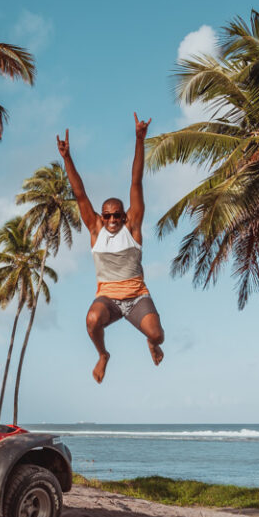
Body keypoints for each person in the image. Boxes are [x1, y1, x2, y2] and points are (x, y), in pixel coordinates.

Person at [57, 115, 164, 383]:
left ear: (125, 216)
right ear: (101, 217)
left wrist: (140, 140)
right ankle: (103, 355)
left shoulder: (133, 228)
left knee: (157, 334)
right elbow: (79, 193)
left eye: (117, 215)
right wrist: (67, 158)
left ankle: (151, 344)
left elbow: (136, 182)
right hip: (108, 299)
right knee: (92, 320)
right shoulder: (95, 230)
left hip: (137, 297)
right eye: (108, 216)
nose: (113, 220)